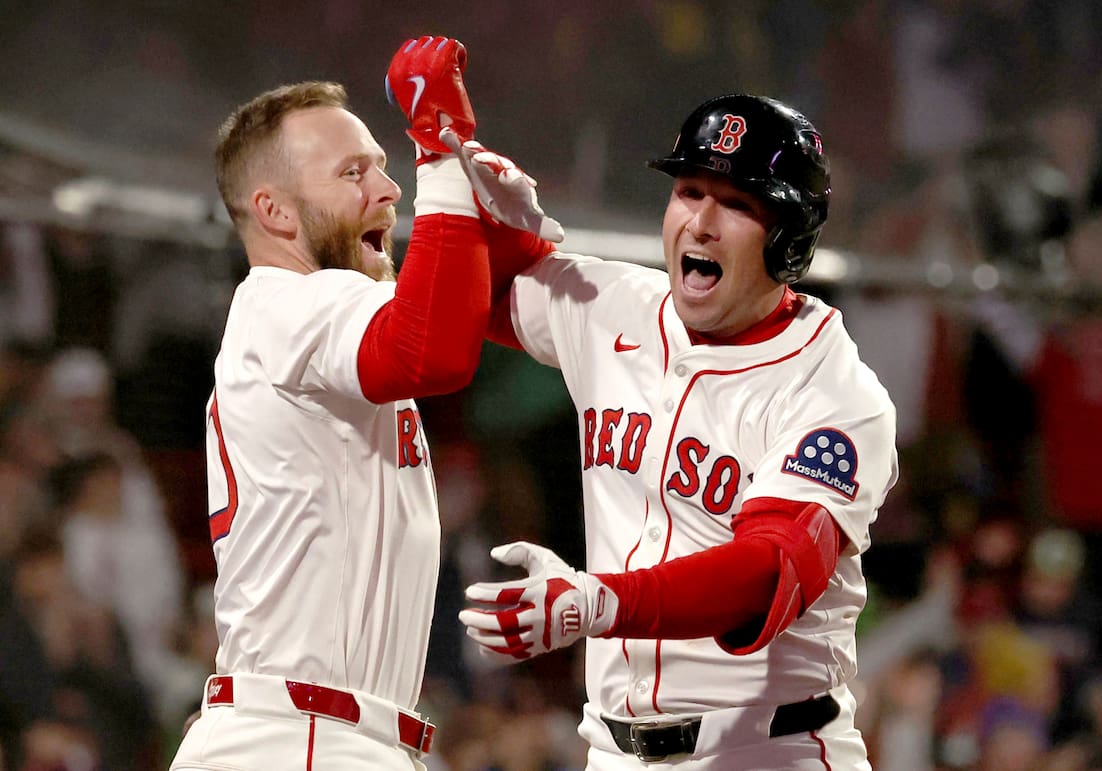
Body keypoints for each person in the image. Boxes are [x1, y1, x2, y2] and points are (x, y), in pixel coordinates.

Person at [418, 42, 898, 769]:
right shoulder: (616, 304)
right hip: (612, 747)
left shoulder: (834, 392)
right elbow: (462, 299)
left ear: (789, 240)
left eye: (736, 203)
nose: (701, 222)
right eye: (689, 191)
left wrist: (599, 602)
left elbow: (765, 572)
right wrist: (452, 162)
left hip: (767, 747)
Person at [170, 36, 514, 770]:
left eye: (385, 168)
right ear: (275, 211)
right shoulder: (289, 303)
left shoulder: (311, 317)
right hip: (299, 738)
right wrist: (443, 150)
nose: (388, 191)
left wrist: (511, 243)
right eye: (352, 172)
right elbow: (435, 352)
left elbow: (451, 323)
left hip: (320, 735)